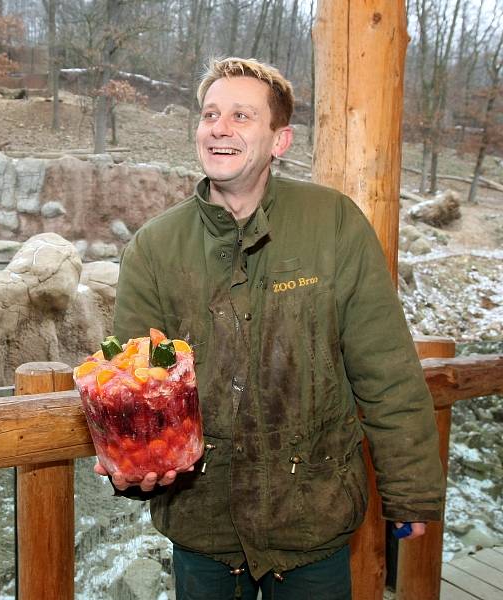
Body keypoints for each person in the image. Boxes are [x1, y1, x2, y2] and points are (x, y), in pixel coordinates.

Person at [95, 57, 445, 599]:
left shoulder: (334, 224)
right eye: (210, 113)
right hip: (203, 520)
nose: (220, 127)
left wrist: (411, 491)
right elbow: (135, 388)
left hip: (312, 514)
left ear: (280, 140)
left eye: (241, 115)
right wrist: (132, 463)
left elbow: (386, 369)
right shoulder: (153, 248)